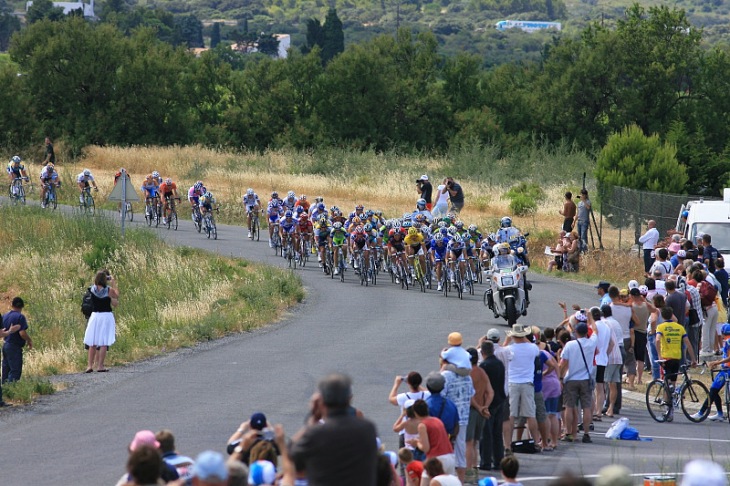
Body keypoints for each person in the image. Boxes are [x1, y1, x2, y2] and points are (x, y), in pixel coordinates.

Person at [290, 373, 378, 486]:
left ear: (321, 401)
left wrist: (311, 421)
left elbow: (292, 456)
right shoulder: (367, 429)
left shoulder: (316, 434)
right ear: (349, 399)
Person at [559, 313, 598, 443]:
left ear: (575, 332)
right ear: (587, 332)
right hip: (586, 378)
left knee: (569, 406)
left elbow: (563, 363)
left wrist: (560, 376)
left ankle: (569, 432)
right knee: (586, 407)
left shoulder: (570, 345)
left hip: (571, 379)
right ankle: (586, 433)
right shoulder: (592, 343)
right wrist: (591, 318)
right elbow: (596, 331)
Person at [503, 324, 541, 454]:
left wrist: (507, 340)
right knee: (530, 414)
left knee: (510, 415)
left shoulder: (508, 349)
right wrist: (524, 338)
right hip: (527, 383)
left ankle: (507, 445)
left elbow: (500, 353)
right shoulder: (532, 348)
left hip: (512, 383)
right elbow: (535, 350)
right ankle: (536, 442)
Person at [656, 310, 698, 422]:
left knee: (666, 384)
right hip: (676, 358)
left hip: (666, 358)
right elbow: (688, 343)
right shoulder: (679, 327)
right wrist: (694, 359)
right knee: (672, 384)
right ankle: (671, 410)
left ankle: (667, 410)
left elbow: (657, 340)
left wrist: (659, 355)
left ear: (663, 316)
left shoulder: (661, 327)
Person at [406, 399, 455, 486]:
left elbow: (425, 448)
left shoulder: (422, 425)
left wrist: (416, 443)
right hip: (450, 456)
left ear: (416, 413)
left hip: (436, 460)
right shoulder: (437, 420)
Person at [465, 347, 493, 484]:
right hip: (481, 411)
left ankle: (469, 469)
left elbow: (469, 396)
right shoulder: (482, 372)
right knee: (475, 441)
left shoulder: (468, 374)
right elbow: (490, 392)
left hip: (472, 410)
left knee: (468, 442)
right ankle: (475, 467)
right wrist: (485, 406)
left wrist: (479, 407)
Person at [83, 270, 119, 373]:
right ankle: (100, 365)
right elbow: (116, 295)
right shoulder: (108, 290)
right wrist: (113, 283)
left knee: (92, 342)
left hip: (95, 316)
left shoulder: (92, 289)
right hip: (105, 315)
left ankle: (89, 365)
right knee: (103, 342)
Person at [479, 340, 506, 472]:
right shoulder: (499, 363)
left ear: (482, 352)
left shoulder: (484, 365)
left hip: (489, 402)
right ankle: (499, 460)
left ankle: (486, 461)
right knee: (497, 433)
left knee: (486, 434)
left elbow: (484, 387)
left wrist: (483, 405)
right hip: (500, 400)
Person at [1, 297, 30, 386]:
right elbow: (22, 333)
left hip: (6, 345)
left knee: (5, 369)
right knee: (15, 370)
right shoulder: (20, 317)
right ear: (22, 307)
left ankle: (4, 390)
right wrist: (29, 340)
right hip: (14, 347)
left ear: (12, 305)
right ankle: (11, 389)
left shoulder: (4, 316)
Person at [573, 189, 591, 253]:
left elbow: (588, 208)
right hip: (579, 221)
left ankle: (584, 250)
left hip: (584, 221)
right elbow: (577, 213)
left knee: (583, 236)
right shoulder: (579, 203)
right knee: (579, 236)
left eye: (583, 195)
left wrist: (584, 201)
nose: (582, 196)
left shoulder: (587, 201)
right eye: (581, 194)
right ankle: (580, 250)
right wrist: (574, 221)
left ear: (585, 195)